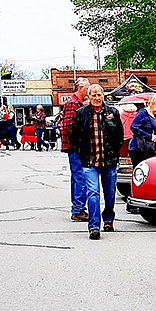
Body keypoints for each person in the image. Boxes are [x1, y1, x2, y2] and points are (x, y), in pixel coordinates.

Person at [71, 84, 123, 240]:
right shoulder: (81, 114)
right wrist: (81, 153)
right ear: (88, 96)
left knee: (110, 194)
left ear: (103, 95)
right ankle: (94, 226)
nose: (96, 98)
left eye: (98, 94)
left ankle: (108, 219)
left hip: (109, 161)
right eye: (93, 95)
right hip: (89, 162)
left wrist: (114, 153)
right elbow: (75, 136)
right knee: (93, 193)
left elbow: (119, 136)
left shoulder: (113, 113)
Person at [60, 77, 90, 222]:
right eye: (87, 89)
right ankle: (78, 209)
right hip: (76, 147)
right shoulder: (73, 104)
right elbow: (68, 127)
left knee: (77, 177)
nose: (88, 91)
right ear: (80, 88)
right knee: (80, 177)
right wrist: (81, 142)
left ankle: (77, 207)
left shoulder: (76, 103)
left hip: (74, 147)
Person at [128, 93, 156, 168]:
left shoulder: (152, 115)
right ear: (153, 102)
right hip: (139, 149)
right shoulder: (143, 113)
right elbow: (133, 127)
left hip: (148, 149)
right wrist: (149, 136)